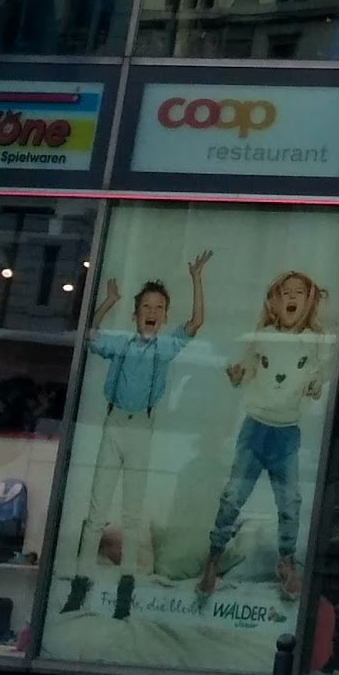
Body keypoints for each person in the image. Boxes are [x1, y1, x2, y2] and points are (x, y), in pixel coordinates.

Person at [62, 250, 209, 620]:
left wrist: (196, 276)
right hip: (115, 425)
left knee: (130, 514)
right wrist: (108, 301)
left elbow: (196, 323)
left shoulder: (166, 346)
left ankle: (125, 591)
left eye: (159, 307)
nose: (152, 311)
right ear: (136, 313)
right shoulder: (122, 343)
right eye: (146, 305)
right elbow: (93, 337)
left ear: (164, 315)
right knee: (97, 511)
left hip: (142, 428)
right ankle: (81, 586)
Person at [198, 267, 332, 600]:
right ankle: (213, 556)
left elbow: (317, 381)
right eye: (285, 292)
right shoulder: (263, 336)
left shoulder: (315, 342)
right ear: (275, 300)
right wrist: (236, 374)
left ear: (309, 301)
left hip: (286, 433)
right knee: (233, 496)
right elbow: (246, 370)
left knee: (290, 502)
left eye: (299, 292)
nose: (291, 297)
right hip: (255, 427)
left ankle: (286, 561)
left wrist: (315, 386)